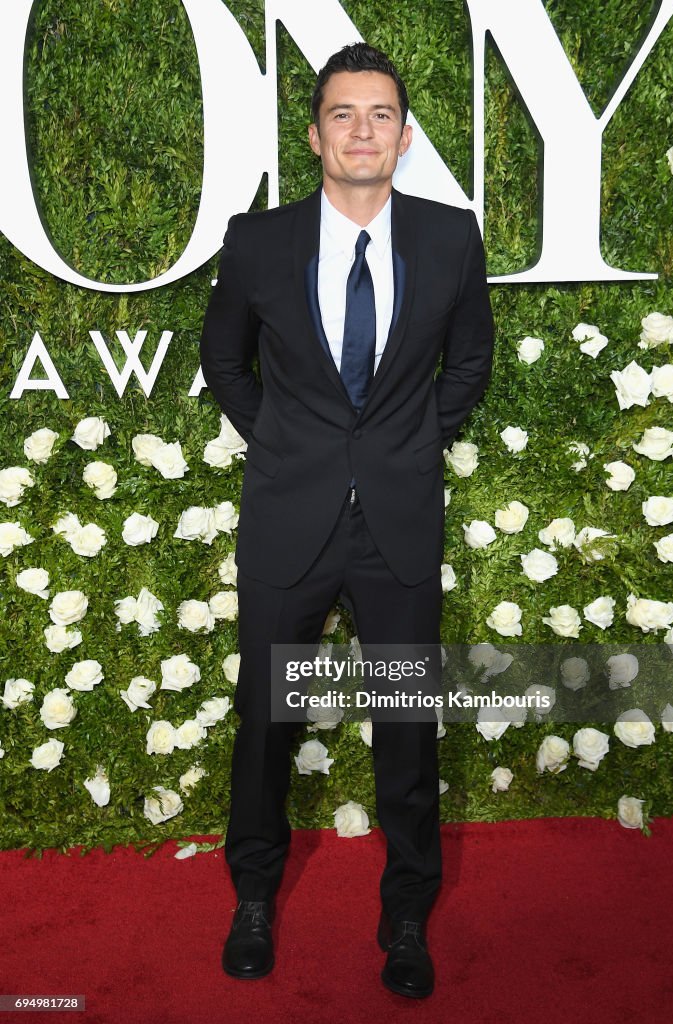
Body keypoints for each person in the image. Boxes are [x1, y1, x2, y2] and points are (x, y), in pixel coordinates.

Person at [200, 41, 494, 999]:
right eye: (341, 114)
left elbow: (468, 368)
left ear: (403, 137)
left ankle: (405, 916)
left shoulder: (452, 239)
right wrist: (288, 445)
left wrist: (401, 449)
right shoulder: (257, 242)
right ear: (316, 132)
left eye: (378, 115)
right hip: (291, 521)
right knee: (265, 723)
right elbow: (227, 367)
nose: (360, 130)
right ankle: (252, 896)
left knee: (406, 728)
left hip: (397, 526)